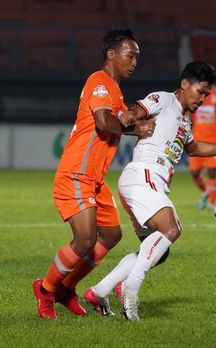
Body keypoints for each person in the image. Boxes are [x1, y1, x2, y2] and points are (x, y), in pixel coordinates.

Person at [83, 61, 216, 321]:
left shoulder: (185, 121)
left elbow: (196, 149)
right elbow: (137, 110)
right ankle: (130, 289)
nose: (203, 98)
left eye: (207, 94)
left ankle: (98, 292)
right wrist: (130, 119)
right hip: (143, 175)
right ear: (185, 84)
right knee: (172, 229)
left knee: (158, 252)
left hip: (149, 183)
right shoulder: (164, 100)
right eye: (201, 91)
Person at [32, 29, 156, 319]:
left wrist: (147, 116)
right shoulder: (98, 81)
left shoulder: (115, 89)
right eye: (130, 55)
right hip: (75, 172)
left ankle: (67, 289)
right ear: (111, 54)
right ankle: (46, 289)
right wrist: (135, 127)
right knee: (85, 238)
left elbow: (122, 118)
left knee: (111, 234)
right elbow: (104, 121)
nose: (135, 61)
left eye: (137, 56)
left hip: (95, 180)